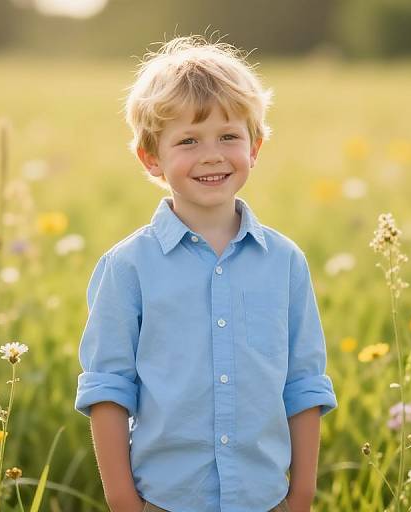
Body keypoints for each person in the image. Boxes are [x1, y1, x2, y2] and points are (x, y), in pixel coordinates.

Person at [75, 34, 337, 512]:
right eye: (189, 140)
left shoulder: (285, 263)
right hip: (163, 500)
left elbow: (304, 383)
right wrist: (123, 502)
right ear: (151, 157)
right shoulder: (128, 266)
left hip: (266, 499)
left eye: (229, 137)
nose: (212, 155)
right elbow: (108, 388)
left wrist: (300, 496)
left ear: (255, 146)